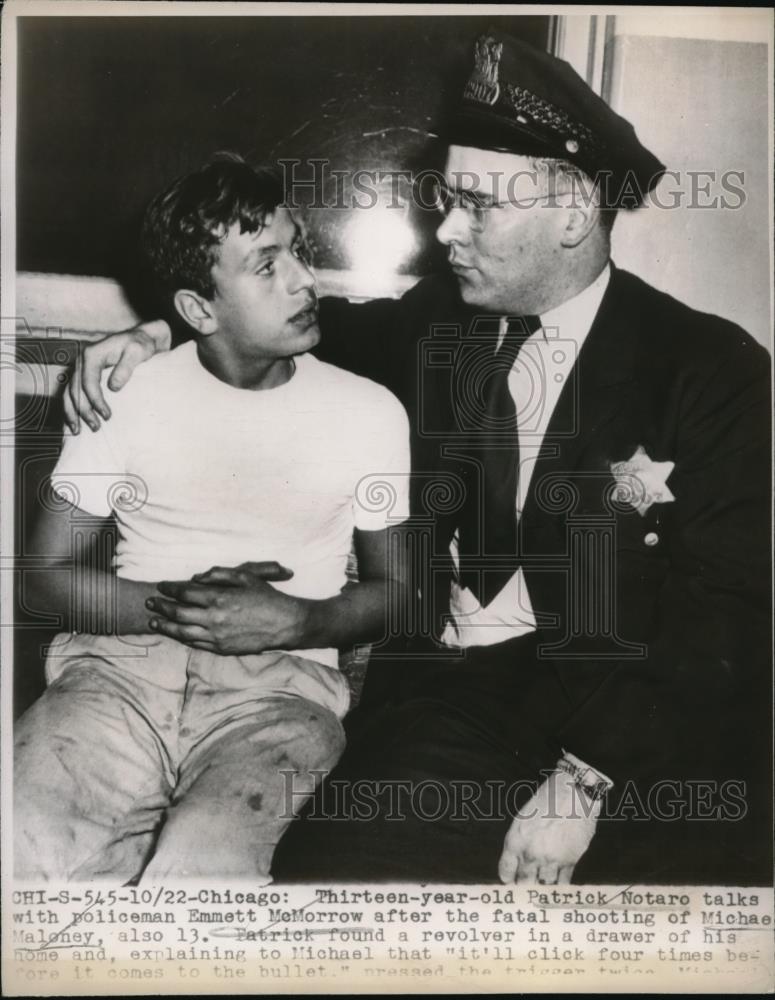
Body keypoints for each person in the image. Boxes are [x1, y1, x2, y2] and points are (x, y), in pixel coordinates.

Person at [64, 35, 771, 885]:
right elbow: (301, 330)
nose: (446, 229)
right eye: (446, 198)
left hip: (625, 717)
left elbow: (727, 608)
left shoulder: (707, 368)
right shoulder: (437, 322)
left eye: (478, 204)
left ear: (575, 213)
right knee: (326, 892)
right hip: (449, 704)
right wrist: (159, 330)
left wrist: (585, 778)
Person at [14, 157, 410, 881]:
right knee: (22, 846)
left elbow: (399, 592)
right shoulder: (122, 392)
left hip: (280, 696)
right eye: (267, 265)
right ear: (198, 309)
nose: (303, 279)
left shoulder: (369, 411)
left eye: (301, 251)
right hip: (115, 678)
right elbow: (42, 580)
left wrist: (293, 621)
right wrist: (189, 608)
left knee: (203, 874)